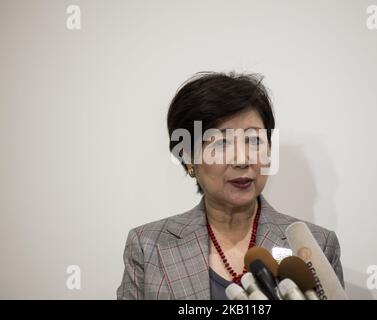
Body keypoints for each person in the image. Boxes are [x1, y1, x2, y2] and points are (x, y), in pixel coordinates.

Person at [117, 71, 344, 299]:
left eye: (254, 140)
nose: (242, 160)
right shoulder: (148, 246)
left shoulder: (318, 246)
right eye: (222, 143)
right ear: (188, 158)